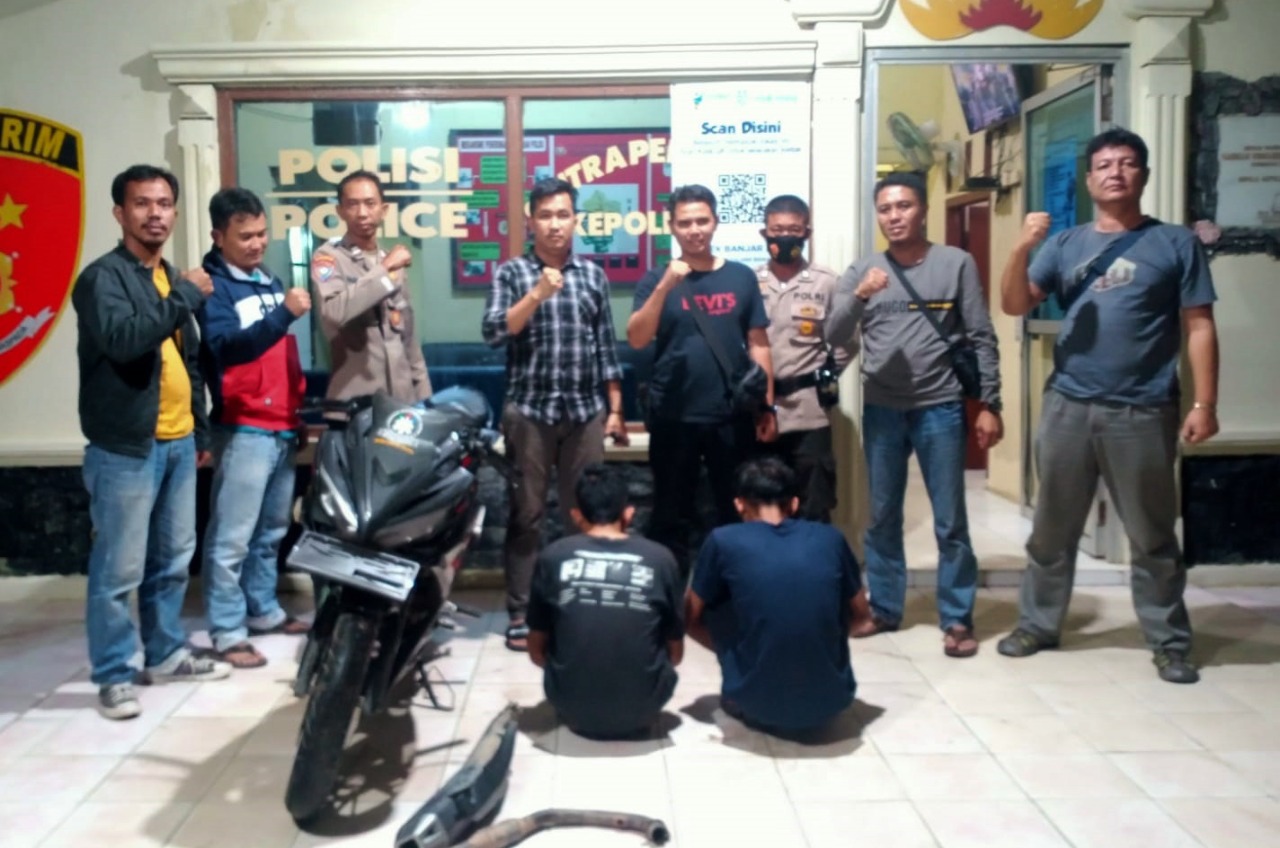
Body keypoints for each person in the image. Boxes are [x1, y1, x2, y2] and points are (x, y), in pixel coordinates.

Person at [997, 128, 1219, 684]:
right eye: (1103, 164)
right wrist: (1022, 247)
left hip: (1143, 410)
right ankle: (1038, 625)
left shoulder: (1175, 243)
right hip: (1068, 405)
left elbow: (1199, 326)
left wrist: (1205, 402)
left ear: (1143, 174)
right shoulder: (1065, 244)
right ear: (1089, 179)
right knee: (1051, 529)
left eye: (1126, 163)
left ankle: (1169, 642)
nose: (1115, 172)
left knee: (1152, 536)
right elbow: (1015, 303)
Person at [71, 165, 232, 720]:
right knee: (118, 570)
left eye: (164, 204)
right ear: (120, 213)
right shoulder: (102, 279)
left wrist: (200, 429)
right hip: (126, 448)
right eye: (142, 204)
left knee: (172, 561)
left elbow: (189, 361)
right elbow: (125, 341)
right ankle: (114, 674)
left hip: (179, 442)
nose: (155, 214)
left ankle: (164, 654)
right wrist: (184, 295)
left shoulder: (169, 278)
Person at [826, 171, 1003, 659]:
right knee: (882, 516)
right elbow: (834, 334)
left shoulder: (955, 263)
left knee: (950, 520)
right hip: (883, 409)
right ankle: (884, 607)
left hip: (940, 407)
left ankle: (957, 618)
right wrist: (860, 295)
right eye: (885, 209)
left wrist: (990, 404)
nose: (894, 216)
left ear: (923, 210)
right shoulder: (863, 270)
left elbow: (981, 335)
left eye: (903, 206)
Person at [482, 177, 629, 651]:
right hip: (529, 412)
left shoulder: (592, 275)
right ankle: (522, 611)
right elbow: (494, 332)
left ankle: (577, 604)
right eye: (545, 215)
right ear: (530, 221)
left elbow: (606, 346)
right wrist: (536, 295)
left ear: (576, 220)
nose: (554, 224)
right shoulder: (511, 273)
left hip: (585, 412)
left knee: (584, 512)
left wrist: (615, 409)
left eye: (563, 215)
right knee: (526, 514)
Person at [628, 184, 776, 578]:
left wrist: (767, 406)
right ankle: (669, 593)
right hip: (673, 416)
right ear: (671, 227)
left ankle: (731, 588)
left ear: (715, 222)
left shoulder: (741, 277)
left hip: (731, 415)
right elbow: (637, 338)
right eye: (685, 223)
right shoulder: (655, 279)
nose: (694, 230)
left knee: (735, 509)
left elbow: (759, 344)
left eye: (702, 221)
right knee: (670, 513)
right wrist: (665, 286)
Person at [197, 187, 311, 669]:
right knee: (231, 538)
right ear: (218, 236)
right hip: (242, 427)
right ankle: (227, 630)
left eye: (262, 233)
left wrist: (295, 412)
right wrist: (284, 313)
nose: (257, 243)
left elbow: (280, 356)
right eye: (245, 236)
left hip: (281, 424)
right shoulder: (212, 288)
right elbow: (228, 349)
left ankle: (263, 610)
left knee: (271, 532)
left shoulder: (269, 280)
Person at [684, 457, 870, 737]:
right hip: (832, 703)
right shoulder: (830, 538)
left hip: (756, 705)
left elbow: (689, 617)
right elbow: (863, 617)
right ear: (793, 504)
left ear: (739, 504)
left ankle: (748, 677)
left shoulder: (723, 540)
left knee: (715, 600)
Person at [526, 464, 683, 739]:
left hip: (571, 706)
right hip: (644, 708)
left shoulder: (553, 556)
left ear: (576, 515)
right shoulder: (660, 559)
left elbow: (536, 651)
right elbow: (676, 654)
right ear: (628, 513)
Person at [754, 194, 857, 522]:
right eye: (777, 230)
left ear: (807, 234)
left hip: (809, 412)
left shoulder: (827, 282)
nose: (785, 237)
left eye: (794, 230)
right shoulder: (750, 282)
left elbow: (847, 339)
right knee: (764, 502)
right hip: (761, 411)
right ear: (764, 234)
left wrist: (826, 374)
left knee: (814, 504)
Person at [310, 169, 432, 403]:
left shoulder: (391, 262)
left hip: (400, 402)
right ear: (340, 211)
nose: (362, 213)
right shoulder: (328, 258)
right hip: (355, 403)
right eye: (352, 204)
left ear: (383, 210)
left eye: (370, 203)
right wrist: (385, 269)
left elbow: (409, 340)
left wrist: (425, 399)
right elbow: (333, 312)